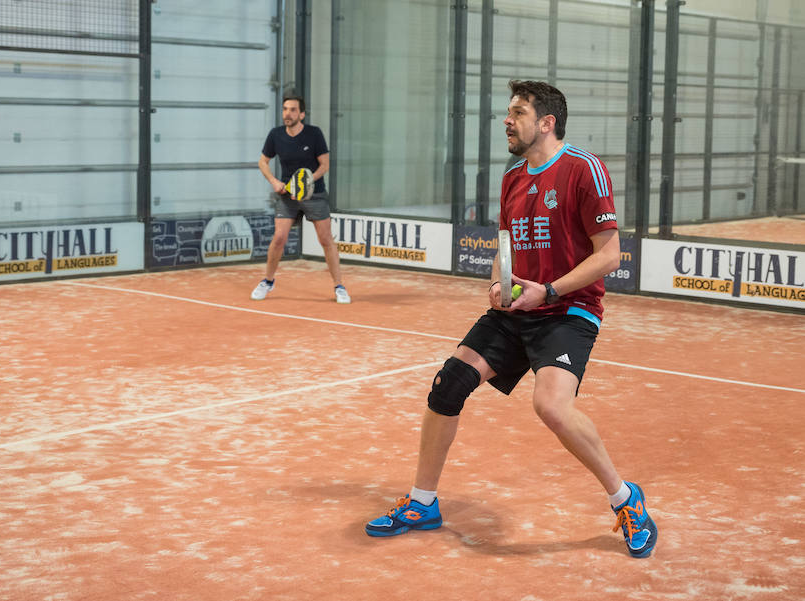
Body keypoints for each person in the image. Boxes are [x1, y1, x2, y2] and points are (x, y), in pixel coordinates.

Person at [364, 80, 657, 558]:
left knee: (552, 407)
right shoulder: (513, 177)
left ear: (547, 122)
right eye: (508, 111)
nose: (506, 120)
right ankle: (423, 502)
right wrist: (501, 281)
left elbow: (609, 256)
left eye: (517, 112)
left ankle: (626, 500)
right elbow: (505, 245)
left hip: (569, 309)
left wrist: (550, 289)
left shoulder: (585, 170)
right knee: (448, 385)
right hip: (519, 307)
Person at [251, 93, 351, 304]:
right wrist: (274, 182)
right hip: (287, 196)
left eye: (293, 110)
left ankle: (339, 286)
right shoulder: (275, 135)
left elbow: (324, 165)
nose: (288, 113)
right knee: (279, 238)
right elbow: (262, 162)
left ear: (302, 114)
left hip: (314, 194)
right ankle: (268, 281)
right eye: (285, 109)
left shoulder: (314, 134)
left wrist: (306, 181)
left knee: (326, 240)